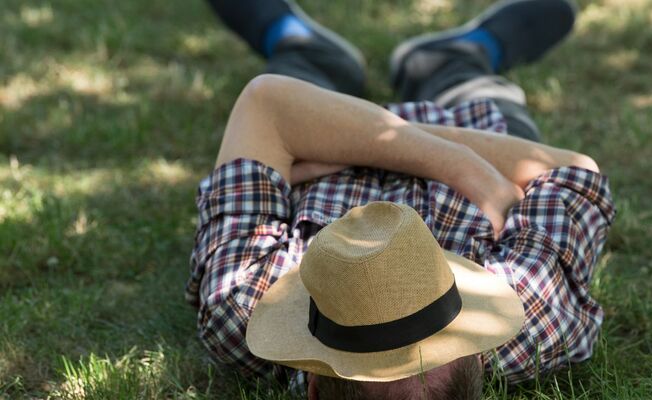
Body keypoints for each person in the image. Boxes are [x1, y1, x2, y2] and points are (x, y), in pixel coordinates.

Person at [186, 0, 616, 399]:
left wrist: (371, 138)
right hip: (470, 134)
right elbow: (572, 170)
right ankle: (460, 57)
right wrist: (459, 160)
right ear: (482, 355)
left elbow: (266, 103)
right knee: (474, 87)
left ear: (313, 386)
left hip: (330, 139)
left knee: (301, 69)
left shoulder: (244, 307)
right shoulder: (530, 321)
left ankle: (300, 43)